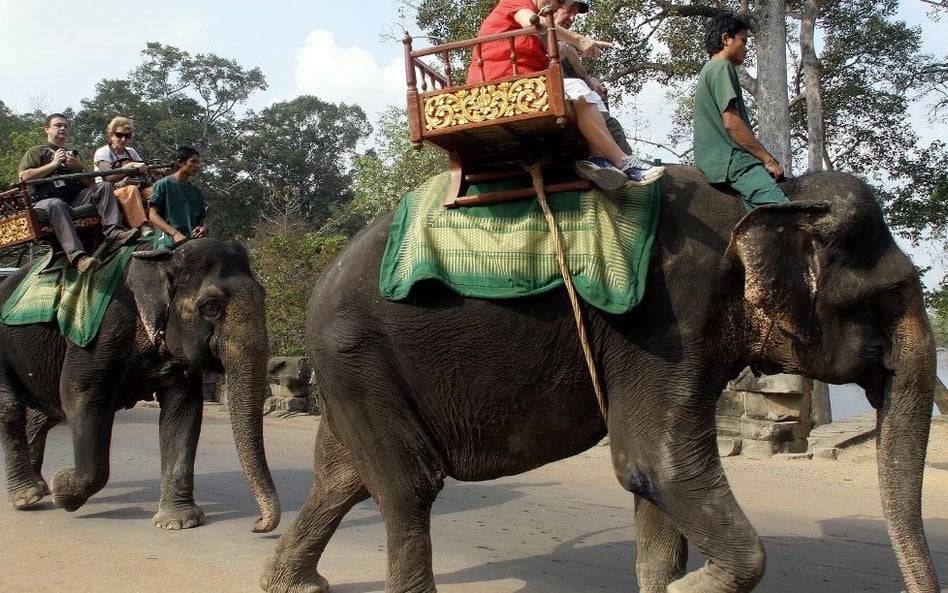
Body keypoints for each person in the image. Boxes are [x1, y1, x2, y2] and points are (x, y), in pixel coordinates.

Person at [467, 0, 664, 190]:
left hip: (523, 85)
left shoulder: (543, 39)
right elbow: (536, 23)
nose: (558, 7)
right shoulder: (517, 4)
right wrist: (579, 40)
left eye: (563, 5)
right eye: (560, 2)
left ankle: (599, 158)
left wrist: (587, 75)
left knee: (588, 95)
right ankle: (622, 161)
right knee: (576, 89)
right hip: (502, 89)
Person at [18, 113, 139, 273]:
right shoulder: (36, 152)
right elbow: (23, 177)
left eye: (65, 126)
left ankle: (115, 233)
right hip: (45, 201)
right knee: (56, 204)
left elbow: (91, 183)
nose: (62, 128)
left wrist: (80, 167)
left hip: (73, 199)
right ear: (47, 129)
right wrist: (54, 164)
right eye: (58, 125)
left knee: (104, 187)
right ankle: (78, 258)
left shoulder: (72, 154)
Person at [693, 13, 788, 212]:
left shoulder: (709, 70)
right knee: (787, 214)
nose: (746, 49)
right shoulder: (721, 67)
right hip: (732, 160)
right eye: (743, 41)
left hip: (720, 158)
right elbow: (732, 123)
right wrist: (768, 160)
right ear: (726, 38)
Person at [553, 0, 633, 155]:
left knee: (610, 123)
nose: (572, 18)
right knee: (609, 125)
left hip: (574, 102)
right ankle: (623, 165)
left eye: (575, 14)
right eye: (569, 11)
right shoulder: (534, 30)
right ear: (555, 6)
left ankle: (610, 165)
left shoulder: (565, 46)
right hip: (542, 96)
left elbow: (580, 76)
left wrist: (590, 79)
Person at [93, 116, 151, 231]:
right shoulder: (103, 152)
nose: (123, 139)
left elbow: (143, 167)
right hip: (109, 192)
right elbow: (109, 176)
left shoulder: (131, 152)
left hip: (135, 186)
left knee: (155, 190)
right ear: (111, 135)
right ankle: (142, 226)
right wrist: (129, 166)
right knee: (130, 190)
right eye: (119, 135)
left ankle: (161, 220)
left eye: (127, 136)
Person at [145, 146, 207, 251]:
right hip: (168, 239)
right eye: (193, 162)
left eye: (198, 163)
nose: (197, 166)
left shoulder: (196, 192)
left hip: (192, 240)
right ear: (180, 162)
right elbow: (153, 215)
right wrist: (175, 233)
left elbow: (201, 219)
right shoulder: (163, 184)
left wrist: (203, 228)